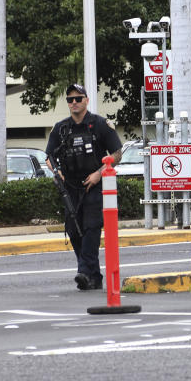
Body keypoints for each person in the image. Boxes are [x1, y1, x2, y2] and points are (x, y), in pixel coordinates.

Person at [46, 83, 122, 291]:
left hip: (93, 185)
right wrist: (57, 171)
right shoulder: (61, 128)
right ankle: (93, 276)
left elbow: (117, 153)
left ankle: (84, 270)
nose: (74, 103)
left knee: (91, 228)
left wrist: (99, 173)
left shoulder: (99, 125)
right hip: (70, 186)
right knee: (74, 229)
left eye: (78, 98)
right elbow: (49, 157)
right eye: (70, 100)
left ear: (86, 100)